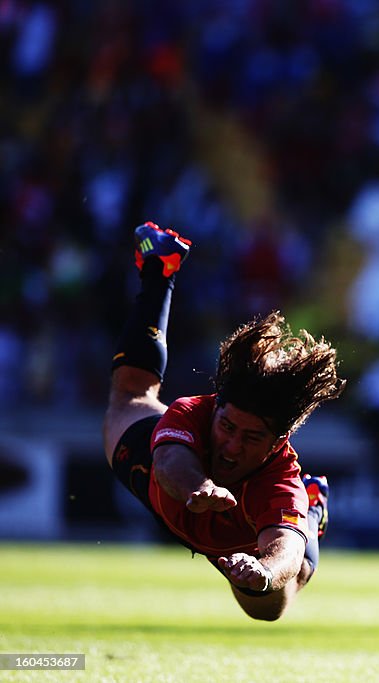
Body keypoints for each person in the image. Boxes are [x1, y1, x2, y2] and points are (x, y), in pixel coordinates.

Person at [103, 221, 345, 621]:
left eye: (251, 437)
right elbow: (168, 465)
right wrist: (200, 488)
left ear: (276, 441)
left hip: (238, 544)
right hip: (172, 493)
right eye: (228, 427)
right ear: (215, 407)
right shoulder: (193, 411)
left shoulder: (281, 481)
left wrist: (264, 571)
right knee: (128, 396)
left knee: (271, 607)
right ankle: (160, 270)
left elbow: (283, 546)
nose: (232, 446)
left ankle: (313, 509)